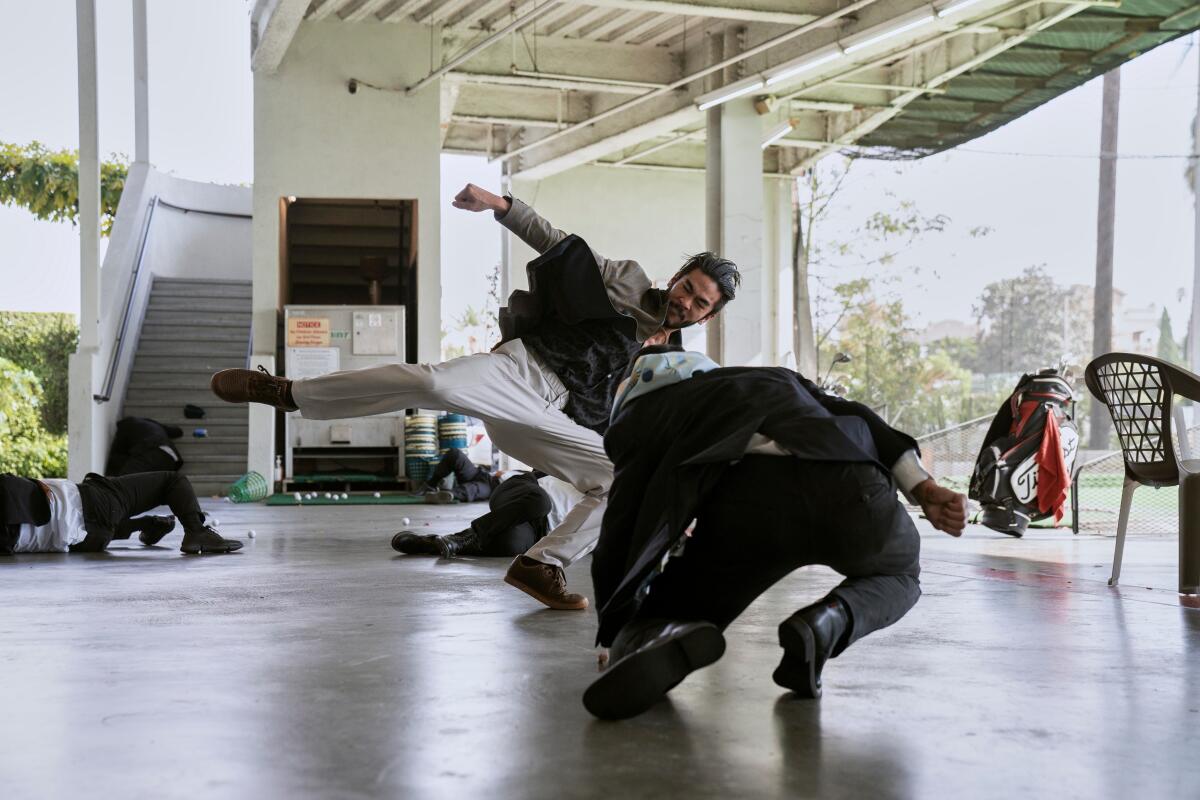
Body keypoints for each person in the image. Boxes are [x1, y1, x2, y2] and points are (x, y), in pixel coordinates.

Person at [210, 183, 740, 610]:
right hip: (519, 372)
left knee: (622, 480)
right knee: (431, 382)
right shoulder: (629, 282)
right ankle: (286, 391)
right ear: (676, 278)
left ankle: (541, 566)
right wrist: (501, 206)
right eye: (687, 287)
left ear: (708, 317)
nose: (686, 300)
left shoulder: (673, 364)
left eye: (699, 302)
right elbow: (558, 242)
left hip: (554, 418)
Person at [580, 348, 966, 720]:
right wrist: (921, 487)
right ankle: (828, 621)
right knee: (901, 574)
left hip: (745, 507)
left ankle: (652, 636)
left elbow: (620, 526)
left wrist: (617, 628)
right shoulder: (773, 377)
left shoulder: (639, 415)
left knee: (665, 613)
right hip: (846, 480)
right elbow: (858, 414)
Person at [1, 471, 243, 555]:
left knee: (84, 525)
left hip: (88, 541)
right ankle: (196, 532)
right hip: (92, 502)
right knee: (173, 481)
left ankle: (146, 525)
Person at [392, 471, 583, 558]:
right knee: (541, 502)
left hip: (541, 530)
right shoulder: (600, 465)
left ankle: (432, 544)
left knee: (511, 545)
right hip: (526, 490)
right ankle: (465, 536)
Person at [105, 416, 184, 476]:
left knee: (123, 477)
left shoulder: (125, 427)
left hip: (151, 450)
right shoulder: (150, 423)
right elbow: (176, 432)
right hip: (172, 459)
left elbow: (117, 452)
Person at [417, 447, 498, 504]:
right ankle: (430, 485)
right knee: (455, 453)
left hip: (491, 487)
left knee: (472, 489)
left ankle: (443, 495)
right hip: (480, 473)